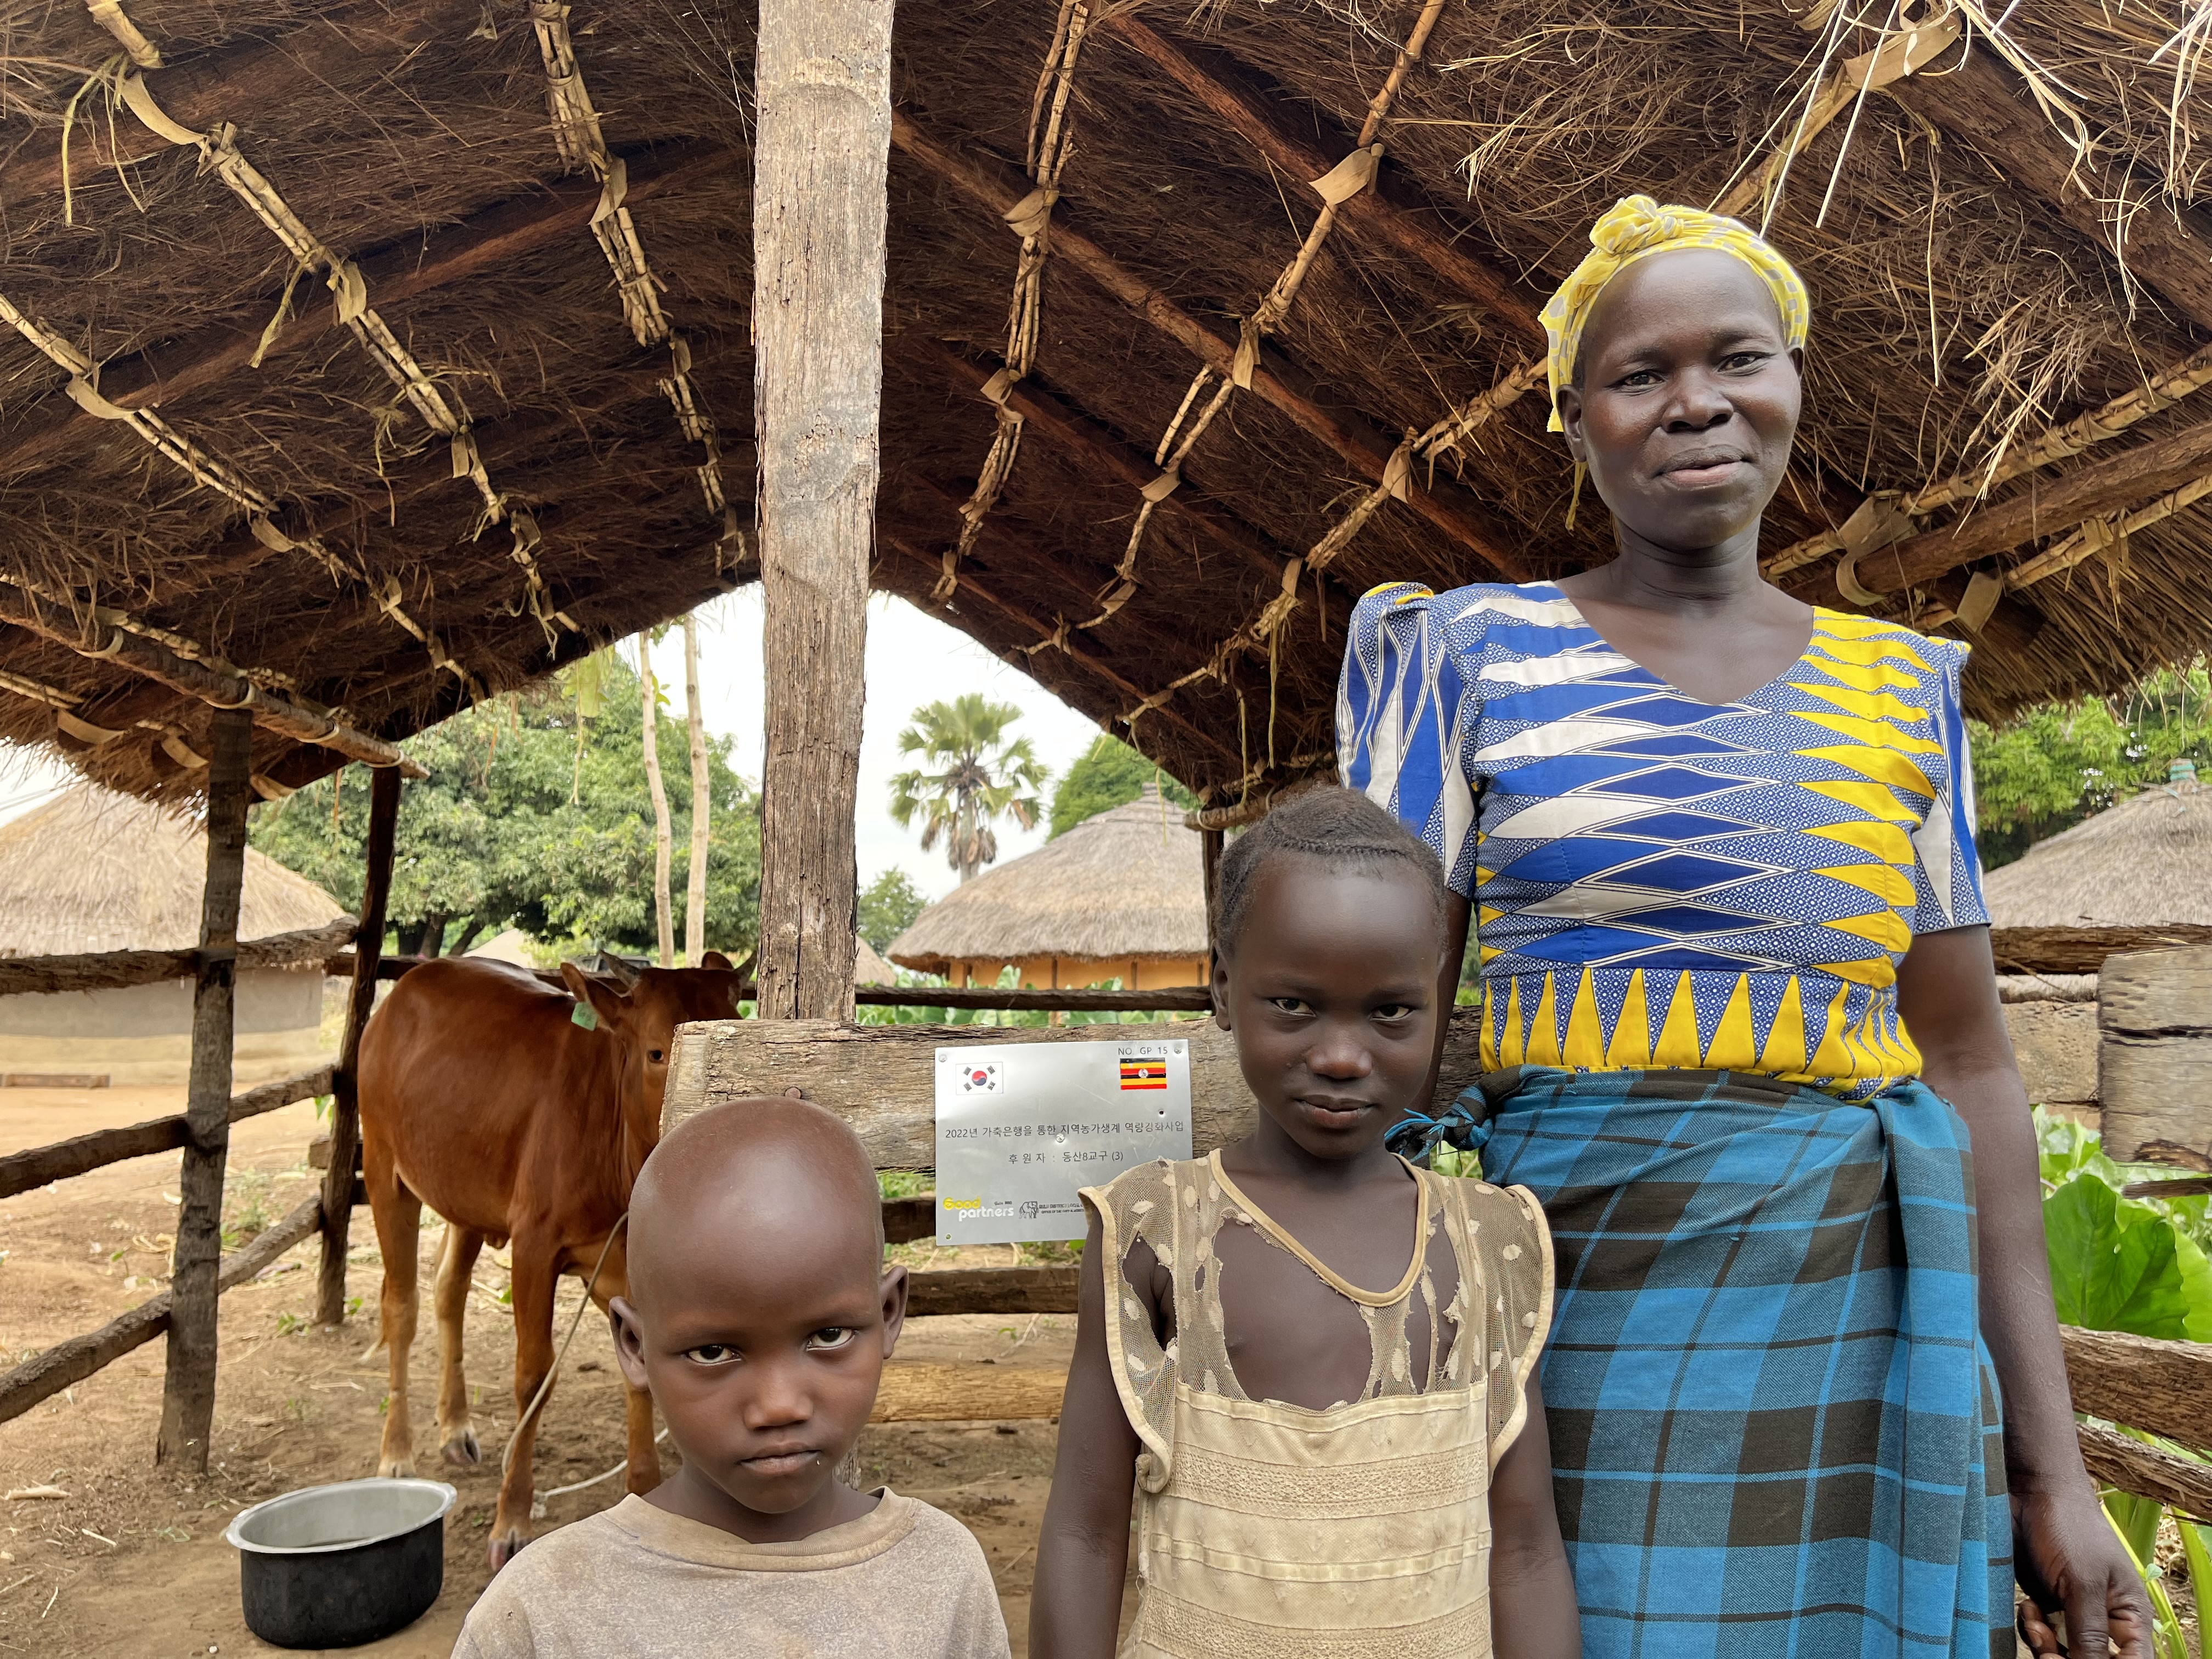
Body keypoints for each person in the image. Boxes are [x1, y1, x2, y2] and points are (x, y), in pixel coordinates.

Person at [1338, 195, 2148, 1659]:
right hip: (1559, 1338)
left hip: (1861, 1346)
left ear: (1792, 384)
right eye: (1639, 373)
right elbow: (1365, 1026)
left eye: (1737, 358)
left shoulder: (1906, 692)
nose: (1697, 400)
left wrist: (2054, 1468)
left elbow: (1970, 1066)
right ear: (1576, 421)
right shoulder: (1467, 655)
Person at [1032, 787, 1578, 1659]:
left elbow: (1524, 1552)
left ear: (1437, 1002)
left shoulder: (1489, 1243)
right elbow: (1084, 1533)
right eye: (1294, 1005)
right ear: (1223, 987)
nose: (1341, 1056)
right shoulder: (1155, 1230)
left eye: (1391, 1010)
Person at [450, 1095, 1012, 1659]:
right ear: (635, 1346)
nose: (779, 1405)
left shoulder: (941, 1576)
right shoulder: (543, 1613)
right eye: (714, 1351)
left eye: (829, 1336)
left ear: (888, 1314)